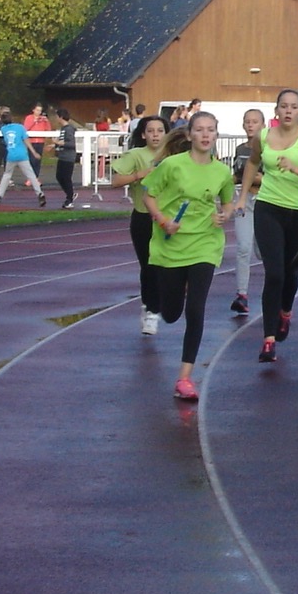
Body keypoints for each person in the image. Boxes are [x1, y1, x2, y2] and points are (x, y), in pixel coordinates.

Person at [140, 110, 235, 401]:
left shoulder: (222, 171)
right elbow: (148, 195)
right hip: (171, 244)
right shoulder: (172, 165)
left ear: (216, 135)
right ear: (190, 134)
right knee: (171, 314)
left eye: (211, 130)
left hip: (205, 244)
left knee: (196, 309)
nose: (205, 135)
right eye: (200, 129)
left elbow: (228, 202)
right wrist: (162, 220)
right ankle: (173, 292)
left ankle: (185, 378)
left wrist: (224, 215)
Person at [251, 86, 298, 363]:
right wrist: (243, 195)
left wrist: (295, 168)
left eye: (294, 107)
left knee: (290, 273)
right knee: (274, 274)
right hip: (268, 207)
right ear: (276, 110)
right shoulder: (263, 136)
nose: (288, 111)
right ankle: (268, 339)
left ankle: (285, 312)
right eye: (284, 106)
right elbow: (252, 163)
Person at [108, 115, 170, 321]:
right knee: (149, 265)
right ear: (143, 135)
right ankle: (150, 309)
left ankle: (162, 301)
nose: (155, 135)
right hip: (144, 217)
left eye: (160, 131)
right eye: (150, 131)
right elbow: (115, 181)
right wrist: (139, 174)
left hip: (169, 219)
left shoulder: (174, 156)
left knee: (169, 264)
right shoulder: (136, 155)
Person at [227, 107, 266, 315]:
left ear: (263, 125)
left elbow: (275, 178)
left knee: (262, 252)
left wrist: (259, 178)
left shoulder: (270, 149)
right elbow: (236, 175)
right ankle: (241, 294)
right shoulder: (241, 149)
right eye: (247, 121)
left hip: (266, 202)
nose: (250, 125)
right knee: (243, 247)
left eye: (254, 121)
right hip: (245, 201)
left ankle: (276, 290)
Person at [0, 107, 46, 206]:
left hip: (11, 155)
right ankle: (39, 193)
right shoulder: (20, 127)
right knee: (31, 175)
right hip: (22, 155)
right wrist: (34, 152)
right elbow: (26, 140)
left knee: (7, 175)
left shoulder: (3, 129)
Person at [51, 106, 82, 209]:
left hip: (68, 157)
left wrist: (58, 142)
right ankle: (70, 194)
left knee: (66, 178)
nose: (56, 119)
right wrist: (54, 145)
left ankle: (69, 199)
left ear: (61, 117)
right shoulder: (63, 129)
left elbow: (71, 144)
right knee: (59, 177)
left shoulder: (69, 129)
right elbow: (62, 142)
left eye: (57, 116)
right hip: (62, 156)